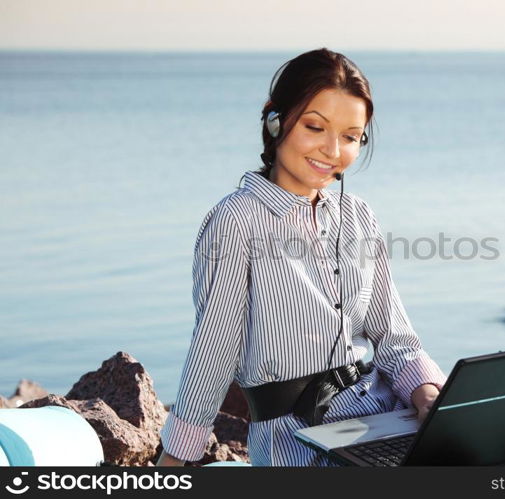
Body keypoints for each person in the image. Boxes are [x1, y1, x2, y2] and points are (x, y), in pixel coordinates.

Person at [157, 48, 447, 467]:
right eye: (315, 127)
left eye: (350, 137)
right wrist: (174, 461)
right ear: (276, 120)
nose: (332, 150)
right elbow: (213, 350)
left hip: (385, 419)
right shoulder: (235, 221)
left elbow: (392, 337)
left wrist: (428, 395)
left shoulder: (358, 214)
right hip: (296, 440)